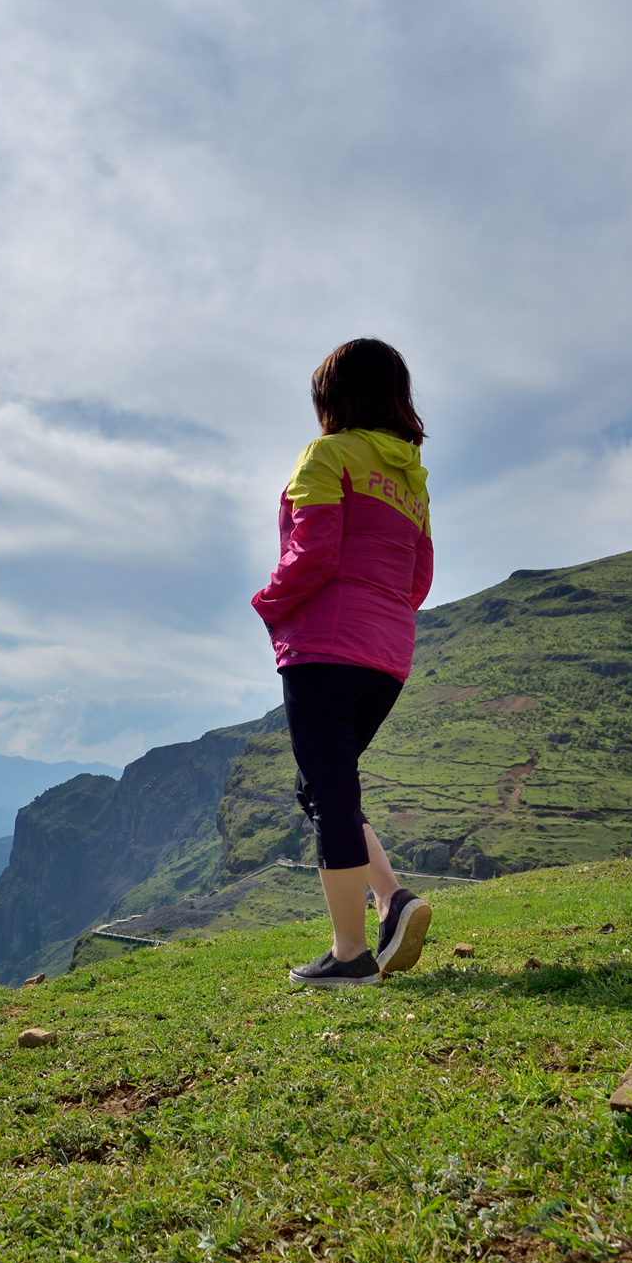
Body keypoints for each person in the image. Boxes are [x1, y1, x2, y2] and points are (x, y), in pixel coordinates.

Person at [252, 338, 435, 987]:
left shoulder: (327, 457)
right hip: (387, 659)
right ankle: (391, 902)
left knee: (329, 792)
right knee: (321, 785)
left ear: (332, 399)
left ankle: (350, 954)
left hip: (324, 648)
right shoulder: (412, 481)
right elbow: (420, 579)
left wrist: (269, 602)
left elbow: (316, 552)